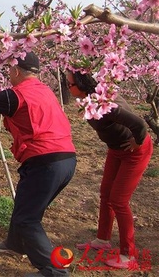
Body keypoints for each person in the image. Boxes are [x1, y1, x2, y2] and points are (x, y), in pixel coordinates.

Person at [0, 52, 77, 277]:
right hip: (65, 159)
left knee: (28, 218)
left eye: (9, 70)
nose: (8, 74)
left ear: (16, 71)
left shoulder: (14, 95)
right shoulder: (44, 90)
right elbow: (9, 105)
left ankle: (55, 271)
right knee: (24, 205)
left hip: (45, 162)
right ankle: (15, 244)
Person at [66, 71, 153, 269]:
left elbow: (139, 124)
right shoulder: (88, 100)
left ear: (81, 85)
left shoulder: (104, 104)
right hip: (115, 150)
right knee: (106, 194)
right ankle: (103, 240)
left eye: (70, 84)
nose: (67, 87)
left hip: (134, 152)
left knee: (119, 201)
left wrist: (137, 141)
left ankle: (128, 254)